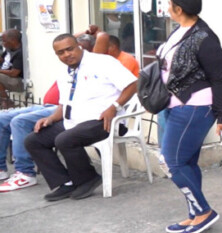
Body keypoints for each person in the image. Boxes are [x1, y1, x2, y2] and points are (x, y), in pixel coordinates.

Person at [23, 34, 138, 202]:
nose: (66, 55)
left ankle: (88, 178)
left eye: (70, 49)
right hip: (74, 122)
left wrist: (115, 107)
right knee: (33, 140)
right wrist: (51, 118)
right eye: (61, 52)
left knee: (64, 139)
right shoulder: (64, 72)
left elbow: (133, 84)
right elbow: (64, 103)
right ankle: (66, 183)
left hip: (104, 121)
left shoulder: (103, 62)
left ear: (79, 46)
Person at [157, 0, 222, 233]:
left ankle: (204, 211)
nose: (167, 8)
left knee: (171, 161)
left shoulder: (205, 38)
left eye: (169, 4)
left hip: (195, 107)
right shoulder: (180, 32)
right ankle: (194, 215)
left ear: (179, 9)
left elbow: (219, 78)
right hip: (174, 105)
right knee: (185, 161)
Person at [0, 81, 59, 191]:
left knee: (19, 121)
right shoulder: (70, 69)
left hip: (62, 108)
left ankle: (25, 173)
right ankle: (1, 170)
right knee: (1, 118)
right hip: (46, 106)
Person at [0, 29, 25, 109]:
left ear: (13, 40)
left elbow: (14, 73)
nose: (2, 43)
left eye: (4, 41)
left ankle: (7, 101)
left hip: (17, 81)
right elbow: (2, 60)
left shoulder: (20, 53)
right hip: (6, 77)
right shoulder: (9, 48)